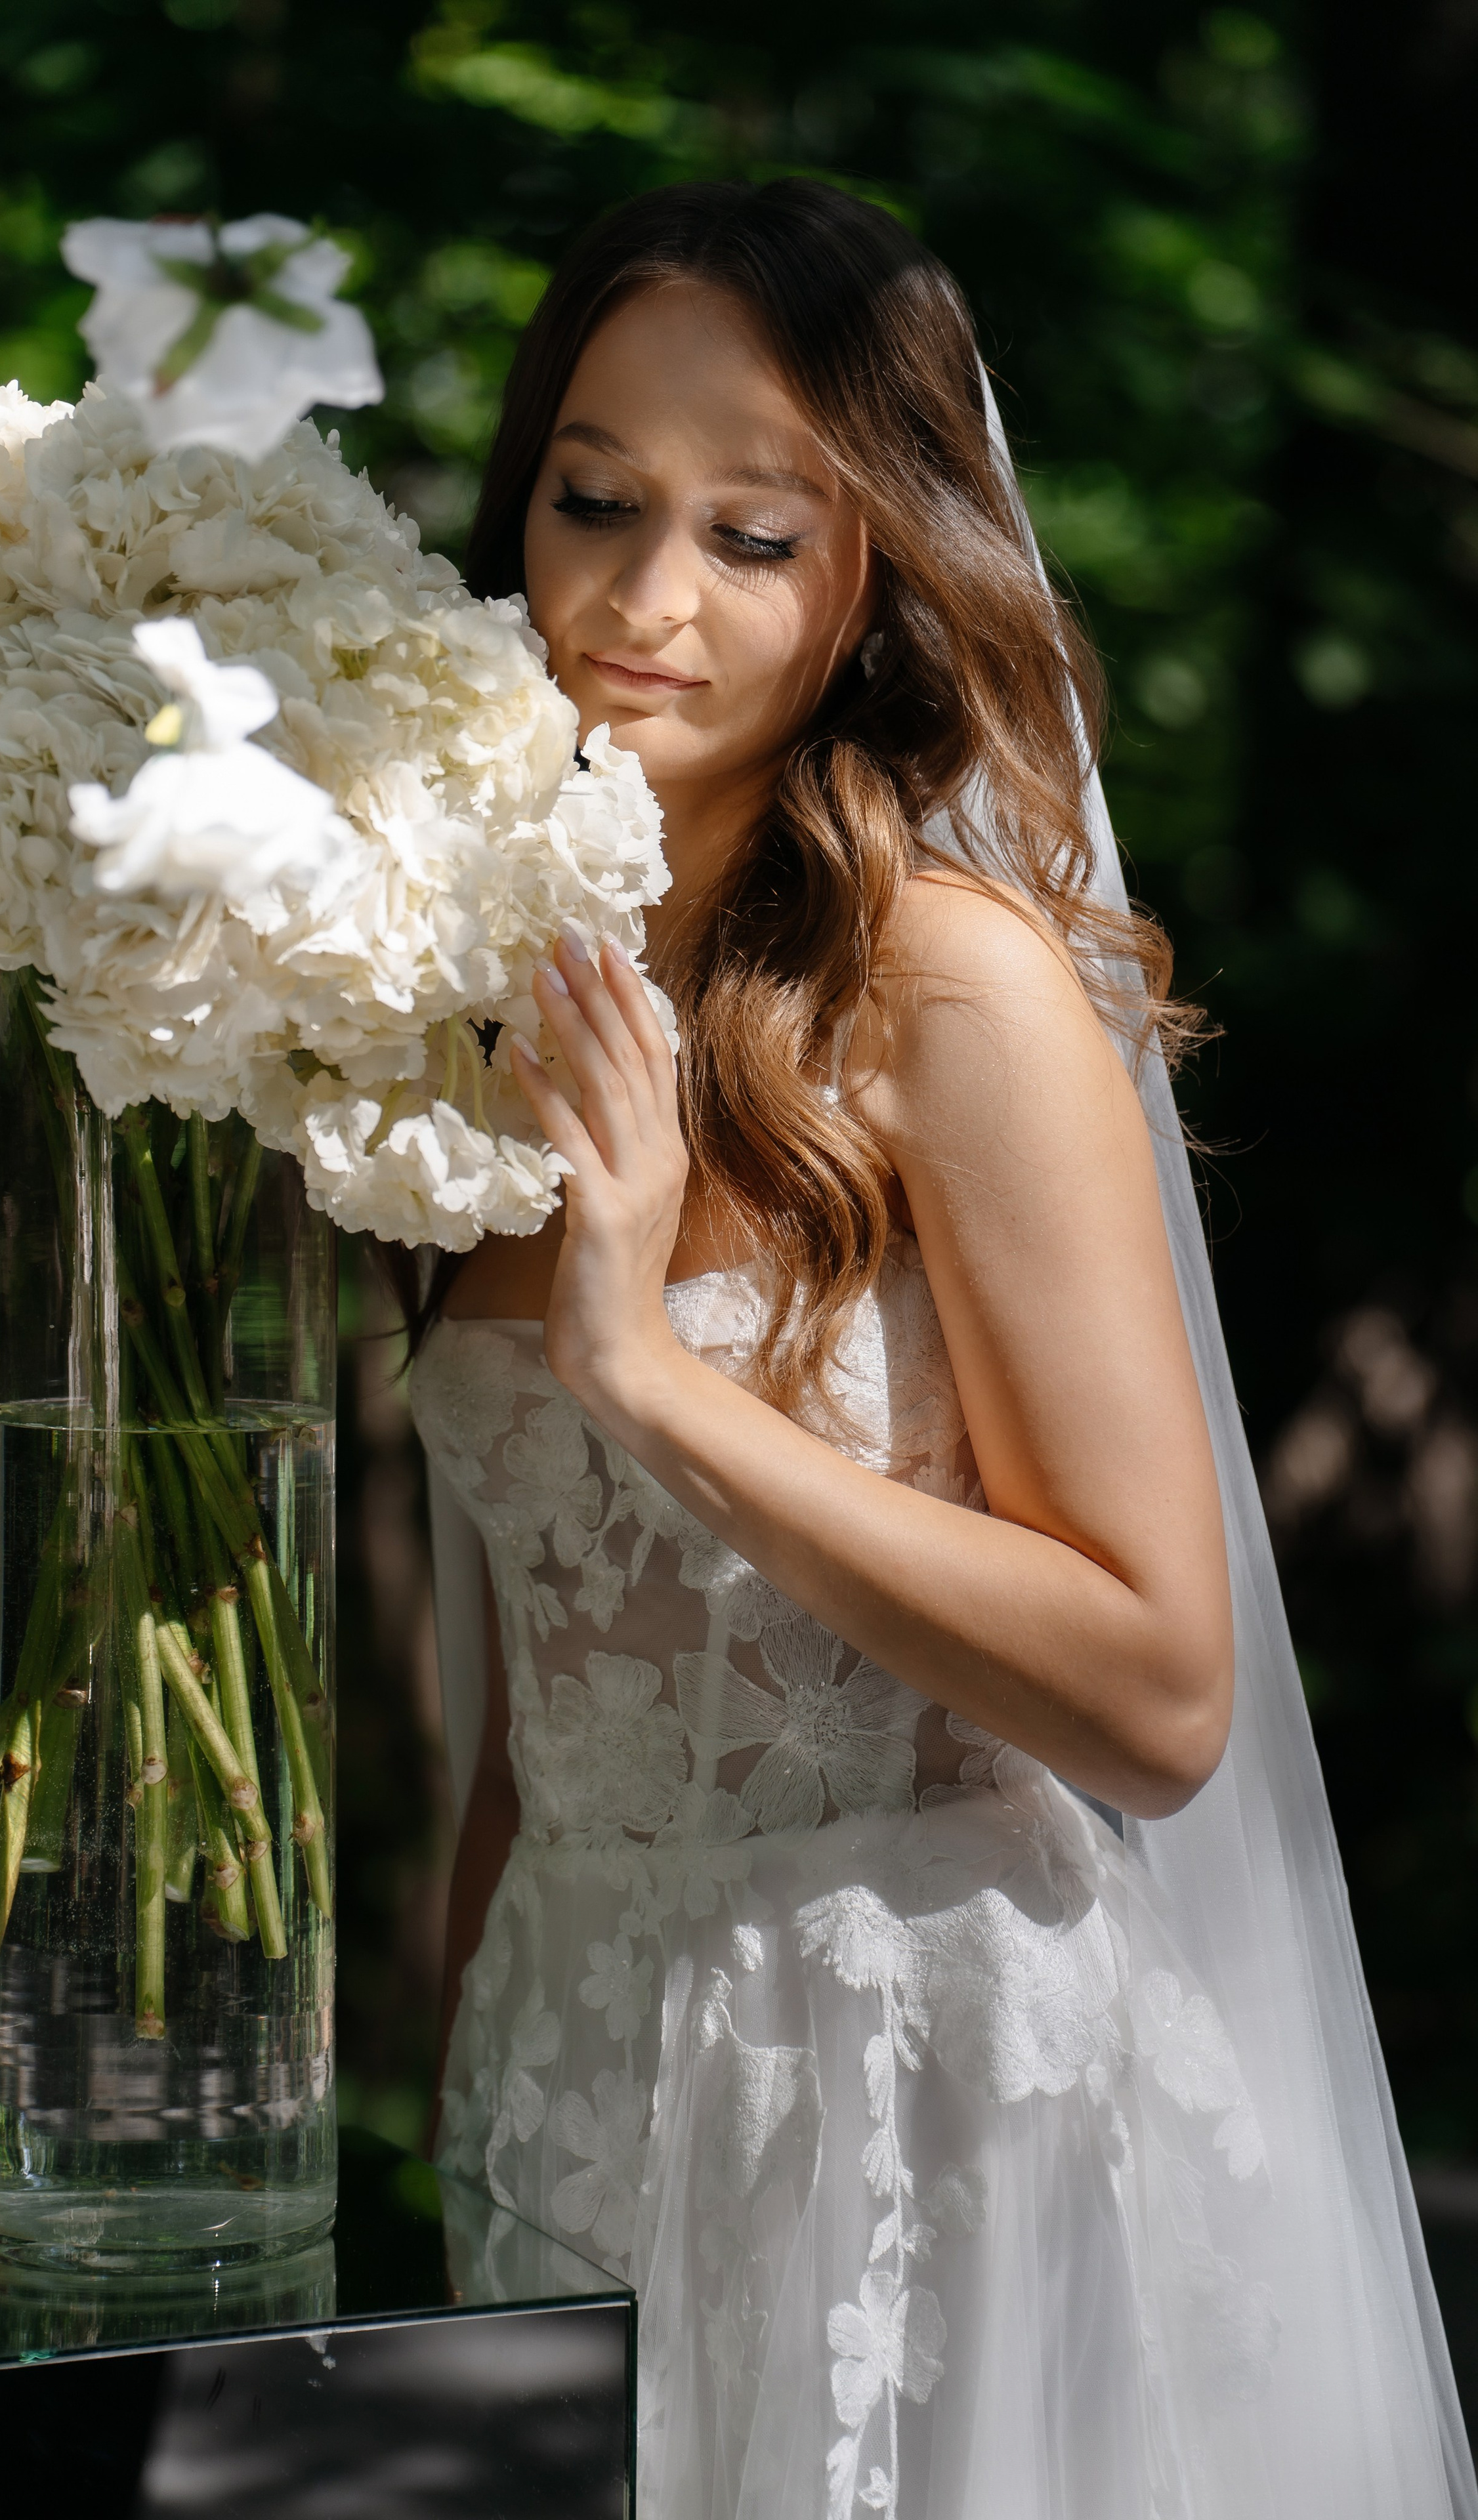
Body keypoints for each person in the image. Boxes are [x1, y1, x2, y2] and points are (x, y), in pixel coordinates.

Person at [396, 179, 1475, 2518]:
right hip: (556, 2098)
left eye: (750, 533)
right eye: (592, 500)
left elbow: (1163, 1692)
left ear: (871, 572)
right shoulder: (459, 992)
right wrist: (432, 2086)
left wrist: (652, 1376)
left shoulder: (946, 988)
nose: (643, 599)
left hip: (916, 2111)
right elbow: (528, 1719)